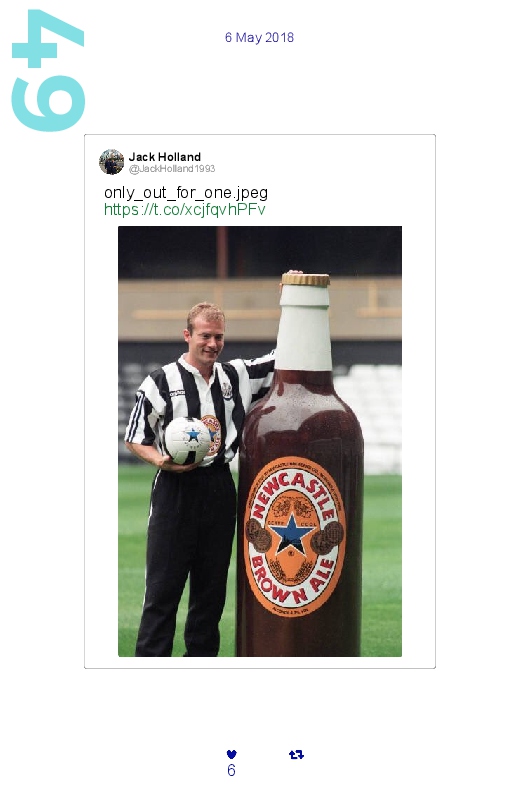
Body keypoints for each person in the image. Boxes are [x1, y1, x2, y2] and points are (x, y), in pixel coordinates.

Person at [124, 273, 302, 657]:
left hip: (219, 486)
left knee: (211, 592)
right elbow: (135, 436)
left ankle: (201, 667)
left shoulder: (237, 375)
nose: (212, 343)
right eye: (205, 335)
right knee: (162, 591)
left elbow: (286, 354)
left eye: (218, 337)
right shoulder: (160, 381)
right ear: (187, 335)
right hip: (175, 489)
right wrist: (161, 461)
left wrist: (292, 302)